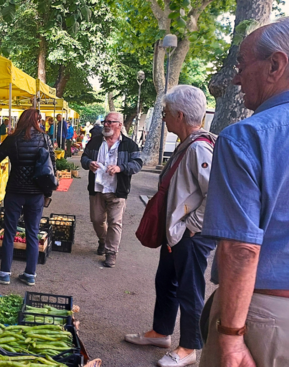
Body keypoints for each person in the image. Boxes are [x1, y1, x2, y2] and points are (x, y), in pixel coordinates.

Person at [199, 16, 289, 367]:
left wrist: (230, 335)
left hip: (266, 317)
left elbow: (242, 249)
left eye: (242, 64)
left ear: (276, 64)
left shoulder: (248, 136)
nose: (237, 77)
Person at [125, 85, 217, 367]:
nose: (163, 117)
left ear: (179, 115)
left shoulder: (199, 147)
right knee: (166, 281)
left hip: (188, 235)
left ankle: (189, 348)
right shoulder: (189, 144)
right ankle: (161, 332)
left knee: (189, 290)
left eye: (165, 113)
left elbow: (215, 192)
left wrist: (192, 226)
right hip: (177, 233)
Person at [0, 109, 55, 286]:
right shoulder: (45, 139)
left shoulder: (12, 139)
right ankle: (30, 274)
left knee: (9, 232)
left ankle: (4, 273)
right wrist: (48, 192)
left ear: (21, 120)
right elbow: (51, 166)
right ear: (38, 121)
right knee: (32, 232)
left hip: (15, 191)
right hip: (36, 193)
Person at [80, 112, 142, 267]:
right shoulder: (94, 142)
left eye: (110, 122)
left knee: (115, 222)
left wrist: (120, 168)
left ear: (119, 125)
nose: (106, 125)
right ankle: (103, 241)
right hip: (97, 189)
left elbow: (137, 164)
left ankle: (111, 253)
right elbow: (84, 158)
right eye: (105, 121)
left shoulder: (129, 145)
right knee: (97, 220)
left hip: (117, 190)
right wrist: (89, 163)